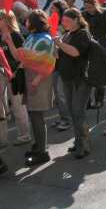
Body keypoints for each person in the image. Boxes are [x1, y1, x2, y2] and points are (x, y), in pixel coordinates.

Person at [4, 10, 55, 166]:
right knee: (33, 115)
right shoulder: (32, 37)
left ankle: (42, 151)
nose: (25, 22)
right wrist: (9, 41)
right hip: (30, 79)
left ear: (33, 23)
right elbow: (20, 57)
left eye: (27, 20)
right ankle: (38, 146)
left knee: (37, 116)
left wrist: (36, 81)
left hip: (38, 81)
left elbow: (49, 64)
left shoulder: (45, 39)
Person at [55, 8, 92, 159]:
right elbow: (62, 54)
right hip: (67, 78)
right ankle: (78, 141)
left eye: (67, 21)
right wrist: (56, 48)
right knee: (72, 112)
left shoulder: (83, 33)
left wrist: (60, 43)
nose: (64, 23)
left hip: (81, 79)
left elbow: (76, 52)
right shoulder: (67, 34)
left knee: (78, 111)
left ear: (76, 19)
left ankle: (84, 145)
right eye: (63, 21)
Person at [0, 10, 31, 147]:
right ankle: (2, 139)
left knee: (18, 106)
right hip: (2, 73)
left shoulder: (16, 36)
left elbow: (23, 58)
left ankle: (25, 135)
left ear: (6, 20)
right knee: (1, 108)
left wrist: (9, 41)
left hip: (15, 75)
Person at [82, 0, 106, 109]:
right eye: (86, 7)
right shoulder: (84, 15)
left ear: (95, 4)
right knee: (87, 74)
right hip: (89, 47)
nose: (88, 10)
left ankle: (99, 99)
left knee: (100, 74)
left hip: (102, 47)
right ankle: (87, 101)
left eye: (90, 7)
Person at [49, 0, 71, 131]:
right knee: (57, 94)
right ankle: (63, 117)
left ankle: (66, 120)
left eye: (53, 8)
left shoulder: (64, 25)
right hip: (53, 62)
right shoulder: (51, 23)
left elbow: (64, 43)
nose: (51, 10)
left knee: (61, 92)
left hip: (63, 62)